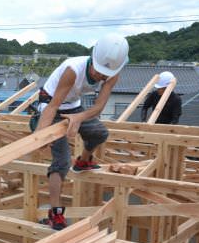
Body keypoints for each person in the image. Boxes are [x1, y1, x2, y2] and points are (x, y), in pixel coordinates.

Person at [31, 33, 129, 230]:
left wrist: (77, 118)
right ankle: (55, 214)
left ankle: (83, 161)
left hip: (74, 108)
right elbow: (52, 107)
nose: (100, 77)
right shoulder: (72, 70)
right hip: (52, 104)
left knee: (100, 133)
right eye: (98, 72)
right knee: (62, 161)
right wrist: (41, 136)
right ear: (92, 59)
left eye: (105, 75)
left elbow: (98, 108)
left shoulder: (113, 72)